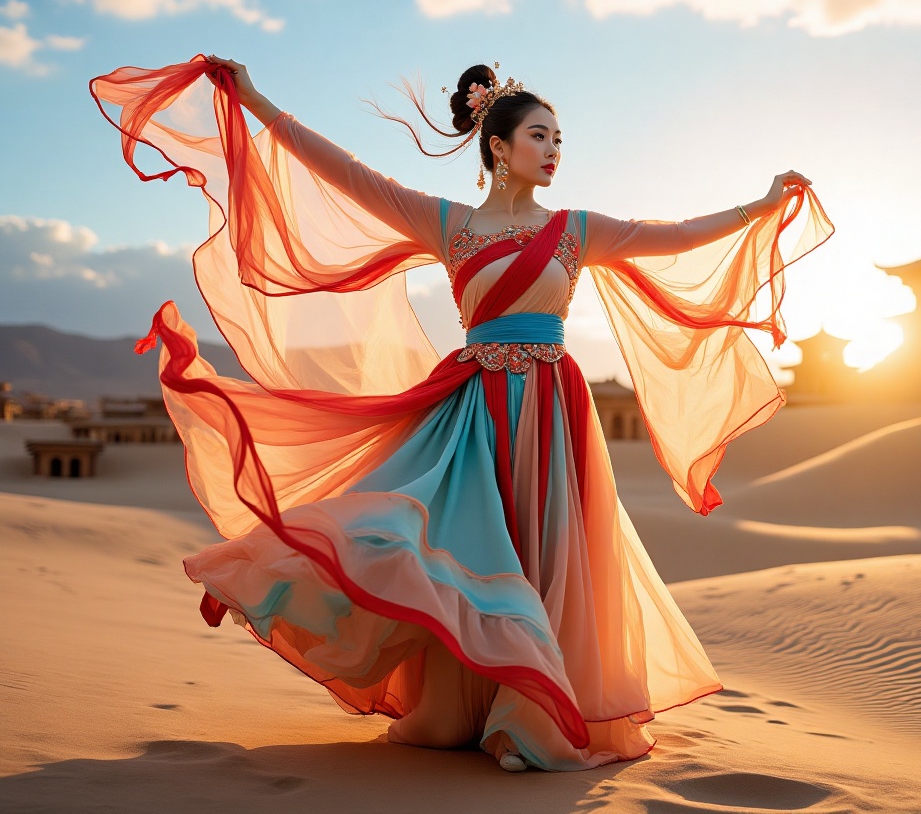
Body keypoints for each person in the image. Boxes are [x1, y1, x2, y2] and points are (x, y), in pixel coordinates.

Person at [89, 54, 833, 773]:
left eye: (559, 138)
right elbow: (347, 176)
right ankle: (459, 714)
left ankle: (529, 722)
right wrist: (254, 100)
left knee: (547, 556)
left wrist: (762, 205)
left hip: (551, 409)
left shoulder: (576, 229)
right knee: (452, 542)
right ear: (498, 149)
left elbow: (671, 239)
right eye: (539, 136)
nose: (553, 150)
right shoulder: (450, 225)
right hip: (472, 407)